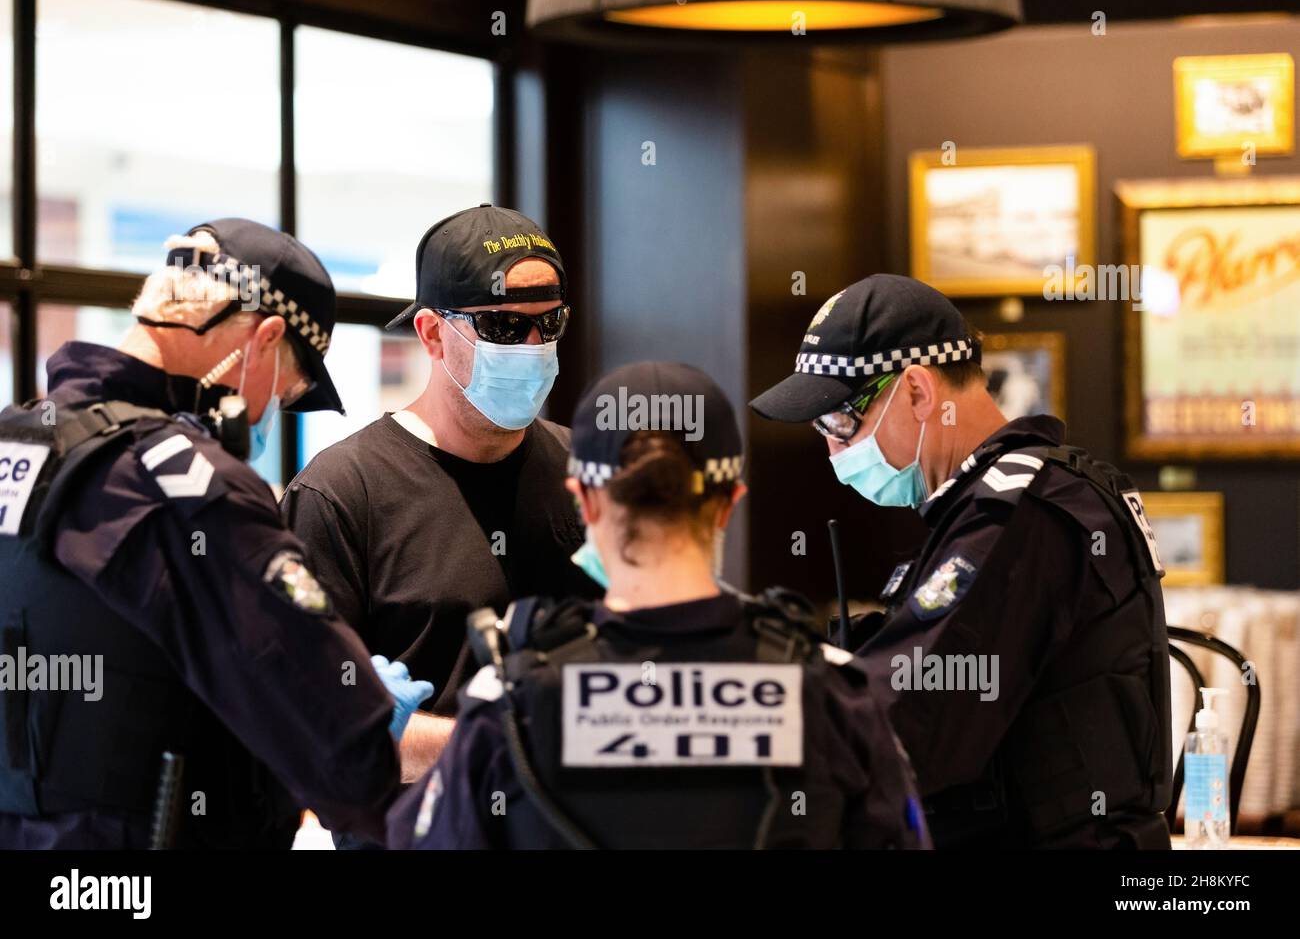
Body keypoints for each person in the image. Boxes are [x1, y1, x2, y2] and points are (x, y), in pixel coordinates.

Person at [0, 219, 431, 848]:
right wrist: (373, 711)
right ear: (264, 339)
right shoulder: (194, 487)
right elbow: (343, 750)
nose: (266, 418)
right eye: (283, 393)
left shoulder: (19, 438)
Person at [388, 361, 930, 849]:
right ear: (727, 505)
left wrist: (371, 750)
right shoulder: (833, 688)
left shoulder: (513, 695)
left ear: (586, 500)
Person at [750, 273, 1173, 849]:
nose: (832, 448)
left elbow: (905, 725)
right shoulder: (1010, 497)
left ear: (918, 391)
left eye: (839, 419)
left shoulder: (1023, 513)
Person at [282, 205, 599, 797]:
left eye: (550, 324)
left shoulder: (587, 470)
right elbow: (316, 726)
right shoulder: (343, 494)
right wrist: (510, 745)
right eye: (504, 328)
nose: (532, 347)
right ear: (431, 333)